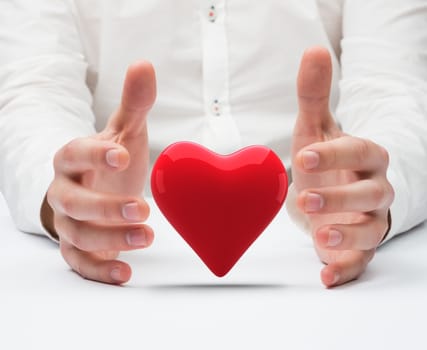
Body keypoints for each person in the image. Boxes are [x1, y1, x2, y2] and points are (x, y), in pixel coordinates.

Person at [0, 0, 426, 287]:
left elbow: (398, 87)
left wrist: (372, 190)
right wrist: (70, 194)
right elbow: (32, 89)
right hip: (128, 248)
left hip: (317, 241)